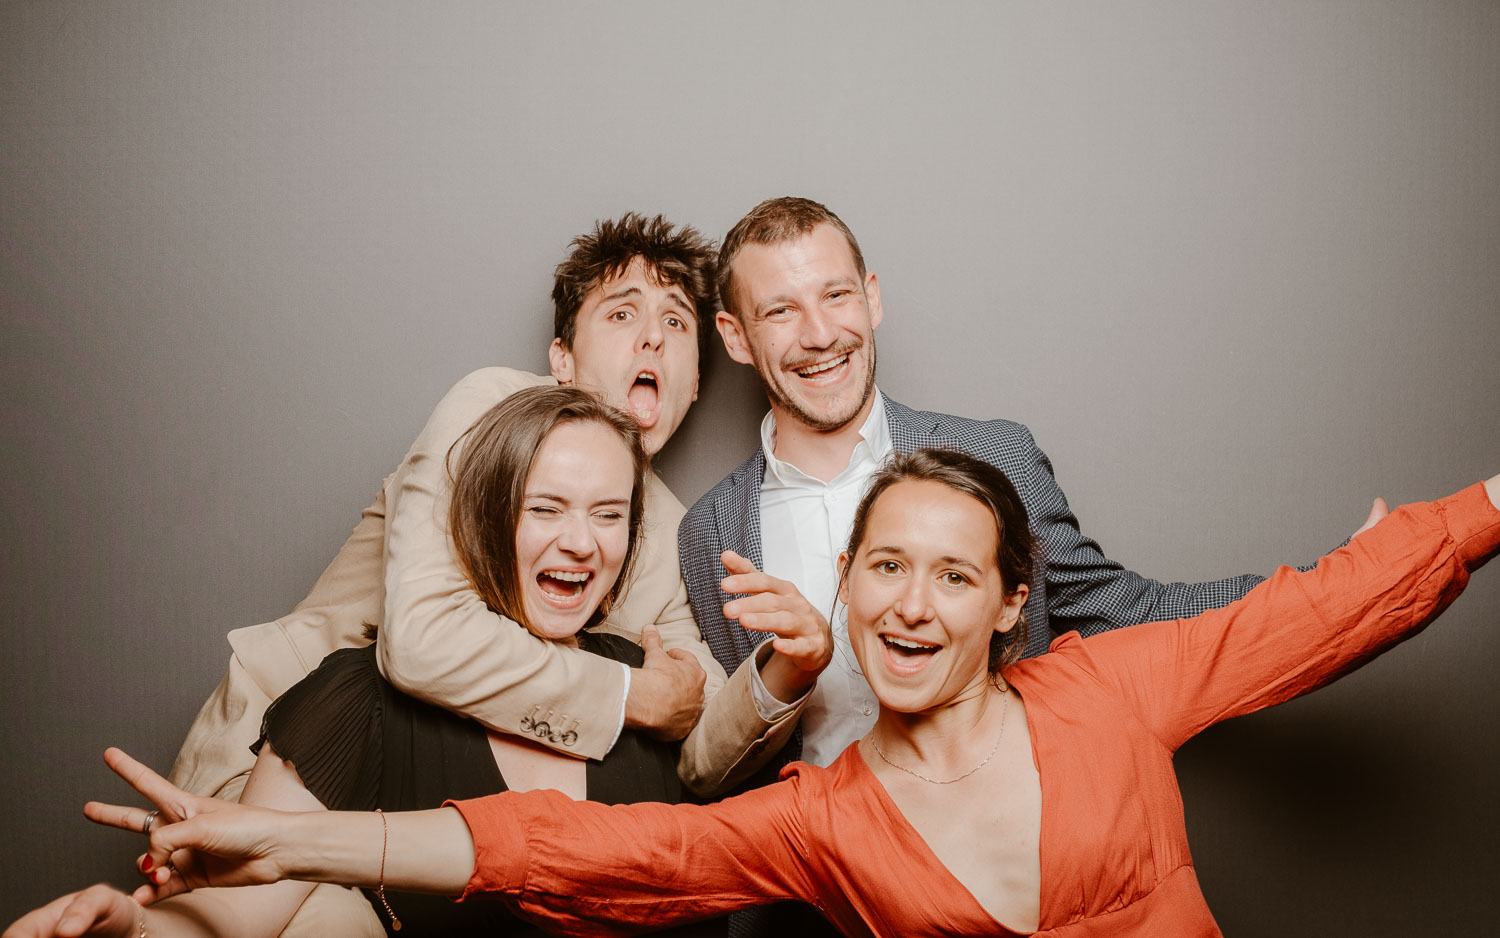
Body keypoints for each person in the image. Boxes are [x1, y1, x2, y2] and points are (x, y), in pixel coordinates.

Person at [10, 454, 1496, 938]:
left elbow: (1334, 602)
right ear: (847, 590)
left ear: (1008, 601)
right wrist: (289, 841)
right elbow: (583, 853)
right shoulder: (821, 819)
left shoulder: (1115, 684)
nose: (914, 604)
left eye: (955, 576)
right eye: (886, 569)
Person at [166, 212, 730, 933]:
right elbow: (423, 640)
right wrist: (633, 695)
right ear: (562, 360)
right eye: (622, 313)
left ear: (693, 384)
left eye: (677, 324)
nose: (652, 336)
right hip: (291, 759)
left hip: (450, 811)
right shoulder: (489, 409)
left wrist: (786, 679)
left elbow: (702, 719)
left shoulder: (673, 530)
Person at [678, 196, 1340, 800]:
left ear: (871, 299)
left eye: (836, 296)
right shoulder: (710, 531)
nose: (820, 333)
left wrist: (1341, 585)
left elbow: (1132, 612)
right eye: (781, 311)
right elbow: (720, 762)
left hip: (1008, 859)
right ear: (736, 336)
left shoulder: (995, 459)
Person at [9, 386, 721, 938]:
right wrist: (131, 926)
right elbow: (241, 916)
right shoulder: (357, 704)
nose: (581, 542)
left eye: (607, 514)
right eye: (546, 509)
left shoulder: (661, 691)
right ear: (484, 515)